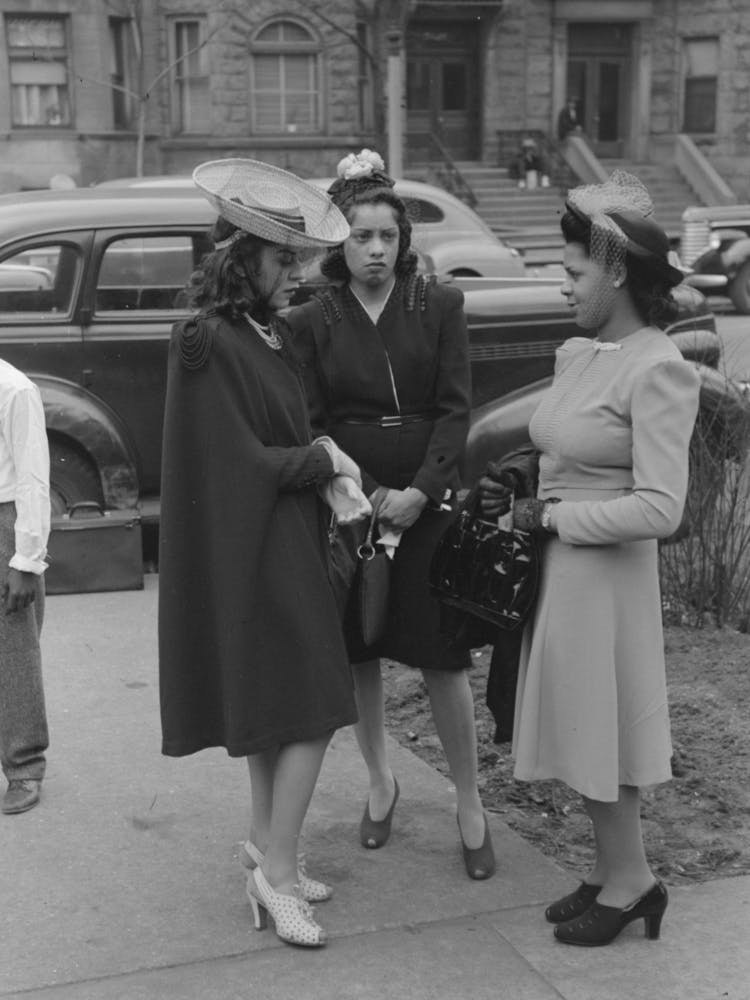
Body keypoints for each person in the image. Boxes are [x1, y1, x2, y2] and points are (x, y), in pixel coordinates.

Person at [479, 170, 700, 946]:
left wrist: (556, 514)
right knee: (585, 729)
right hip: (562, 574)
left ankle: (635, 881)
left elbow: (661, 508)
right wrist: (524, 478)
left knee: (604, 729)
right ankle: (615, 871)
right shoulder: (583, 353)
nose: (562, 286)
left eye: (573, 273)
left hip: (606, 580)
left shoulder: (657, 366)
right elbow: (565, 444)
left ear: (615, 271)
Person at [158, 157, 369, 949]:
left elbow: (271, 440)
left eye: (299, 258)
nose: (297, 273)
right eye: (285, 258)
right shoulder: (203, 340)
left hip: (284, 539)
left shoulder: (259, 330)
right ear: (240, 255)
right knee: (315, 704)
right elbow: (237, 465)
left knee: (282, 707)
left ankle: (267, 846)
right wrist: (324, 459)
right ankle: (275, 875)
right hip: (257, 548)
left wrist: (314, 454)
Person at [287, 148, 495, 880]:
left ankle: (469, 801)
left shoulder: (438, 305)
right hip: (353, 507)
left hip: (425, 504)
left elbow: (455, 408)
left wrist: (422, 489)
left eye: (387, 236)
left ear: (404, 240)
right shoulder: (313, 318)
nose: (375, 250)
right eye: (360, 237)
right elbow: (313, 417)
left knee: (441, 656)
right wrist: (366, 490)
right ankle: (381, 783)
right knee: (360, 652)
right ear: (338, 243)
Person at [0, 360, 50, 815]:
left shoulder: (14, 389)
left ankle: (24, 766)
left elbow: (34, 479)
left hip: (4, 521)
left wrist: (26, 560)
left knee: (13, 650)